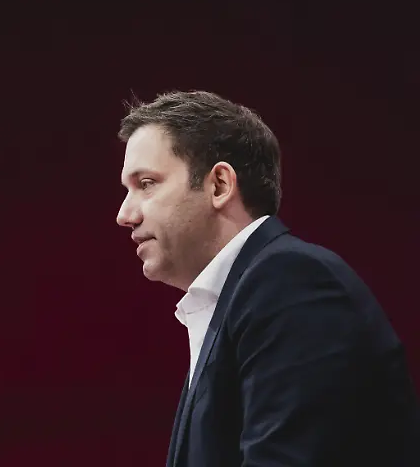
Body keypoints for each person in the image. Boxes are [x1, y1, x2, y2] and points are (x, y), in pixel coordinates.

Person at [115, 90, 420, 466]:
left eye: (146, 183)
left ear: (219, 185)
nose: (125, 215)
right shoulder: (243, 295)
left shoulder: (290, 282)